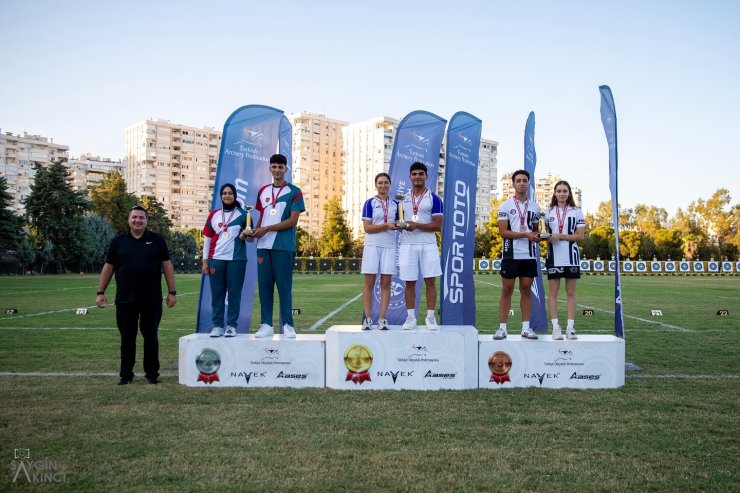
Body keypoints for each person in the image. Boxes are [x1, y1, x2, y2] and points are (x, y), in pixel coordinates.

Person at [96, 205, 176, 385]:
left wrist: (172, 292)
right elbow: (109, 267)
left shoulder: (157, 240)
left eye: (141, 218)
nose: (138, 220)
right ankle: (126, 375)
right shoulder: (118, 242)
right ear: (129, 220)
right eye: (134, 217)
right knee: (127, 339)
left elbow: (167, 266)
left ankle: (152, 375)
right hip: (125, 300)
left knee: (151, 338)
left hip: (152, 300)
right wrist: (101, 292)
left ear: (147, 221)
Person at [251, 153, 305, 338]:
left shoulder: (294, 191)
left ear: (286, 169)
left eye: (280, 167)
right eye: (274, 166)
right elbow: (260, 219)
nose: (277, 170)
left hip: (283, 246)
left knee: (284, 287)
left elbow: (293, 220)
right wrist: (251, 233)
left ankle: (288, 324)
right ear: (270, 168)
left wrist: (267, 229)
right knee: (265, 287)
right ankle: (266, 325)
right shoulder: (263, 191)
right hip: (263, 246)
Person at [495, 170, 541, 340]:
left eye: (524, 180)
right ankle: (502, 328)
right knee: (507, 290)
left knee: (526, 290)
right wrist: (526, 235)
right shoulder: (505, 206)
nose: (521, 183)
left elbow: (536, 232)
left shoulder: (535, 207)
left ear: (528, 184)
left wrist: (538, 237)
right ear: (513, 184)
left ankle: (526, 328)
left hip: (528, 255)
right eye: (518, 180)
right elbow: (503, 232)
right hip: (510, 254)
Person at [398, 162, 444, 331]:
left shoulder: (434, 198)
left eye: (420, 174)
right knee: (409, 283)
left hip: (428, 244)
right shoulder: (402, 199)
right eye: (414, 174)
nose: (417, 176)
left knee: (430, 282)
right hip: (407, 244)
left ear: (426, 176)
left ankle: (430, 318)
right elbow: (399, 223)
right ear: (410, 177)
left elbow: (438, 226)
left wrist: (416, 225)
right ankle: (410, 317)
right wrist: (403, 225)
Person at [202, 183, 248, 338]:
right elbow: (207, 239)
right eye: (224, 193)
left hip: (237, 260)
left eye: (230, 193)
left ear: (235, 196)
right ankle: (217, 326)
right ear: (221, 196)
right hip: (216, 260)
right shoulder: (213, 215)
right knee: (217, 295)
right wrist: (205, 260)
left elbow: (249, 238)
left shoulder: (243, 215)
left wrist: (245, 236)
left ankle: (231, 326)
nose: (227, 195)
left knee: (234, 294)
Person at [544, 180, 585, 340]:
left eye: (564, 191)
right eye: (559, 191)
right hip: (553, 257)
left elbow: (580, 236)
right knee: (553, 293)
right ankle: (555, 329)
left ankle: (570, 327)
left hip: (572, 257)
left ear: (569, 193)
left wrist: (560, 236)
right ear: (554, 193)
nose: (561, 194)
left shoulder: (577, 212)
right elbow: (545, 235)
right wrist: (546, 238)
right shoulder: (548, 212)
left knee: (571, 293)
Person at [361, 173, 400, 331]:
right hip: (372, 245)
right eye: (380, 183)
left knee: (386, 283)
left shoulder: (397, 204)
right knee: (369, 283)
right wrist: (386, 226)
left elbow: (398, 223)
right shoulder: (369, 203)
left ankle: (383, 319)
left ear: (390, 185)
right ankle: (368, 319)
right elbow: (367, 228)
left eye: (386, 183)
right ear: (375, 185)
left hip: (389, 246)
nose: (383, 186)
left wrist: (400, 226)